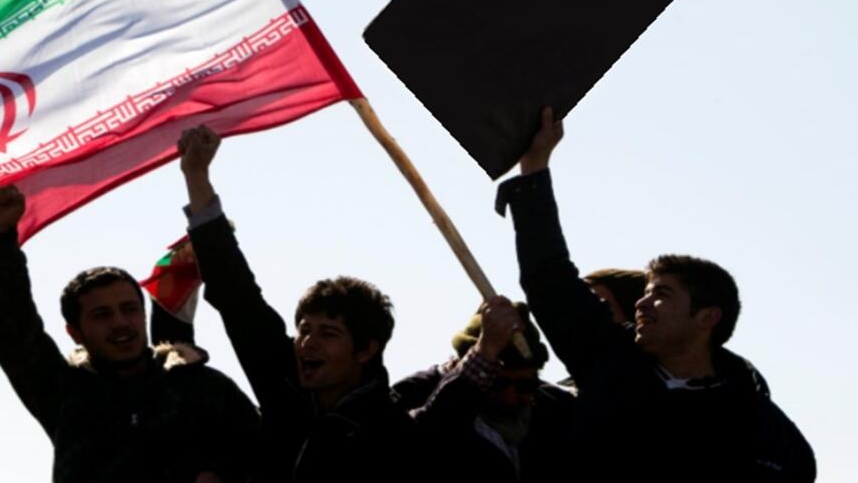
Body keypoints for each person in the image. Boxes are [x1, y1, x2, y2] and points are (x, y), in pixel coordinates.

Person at [495, 107, 816, 482]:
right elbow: (549, 276)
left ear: (707, 318)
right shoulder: (606, 357)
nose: (641, 304)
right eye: (645, 292)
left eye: (662, 294)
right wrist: (535, 167)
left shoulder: (764, 429)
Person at [176, 125, 428, 483]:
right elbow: (237, 296)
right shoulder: (282, 378)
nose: (308, 342)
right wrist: (196, 176)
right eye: (305, 330)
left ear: (365, 350)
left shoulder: (395, 436)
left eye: (328, 333)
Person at [0, 185, 259, 483]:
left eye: (129, 309)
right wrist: (3, 237)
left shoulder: (203, 387)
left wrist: (218, 472)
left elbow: (268, 457)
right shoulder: (66, 395)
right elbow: (12, 332)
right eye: (102, 315)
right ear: (75, 333)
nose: (120, 323)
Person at [395, 297, 575, 482]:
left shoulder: (556, 407)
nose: (509, 396)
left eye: (524, 386)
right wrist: (486, 351)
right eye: (497, 383)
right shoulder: (414, 393)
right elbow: (417, 446)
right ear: (464, 363)